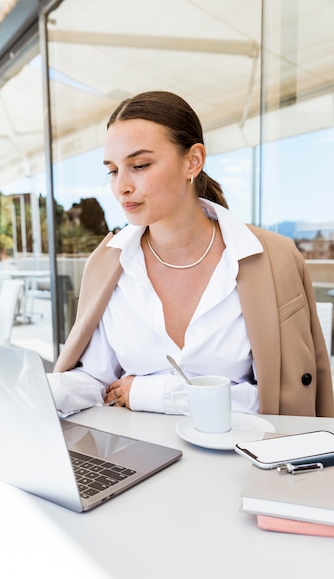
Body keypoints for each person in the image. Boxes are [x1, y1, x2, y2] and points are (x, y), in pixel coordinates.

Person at [47, 91, 334, 419]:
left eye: (139, 165)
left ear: (193, 161)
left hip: (245, 461)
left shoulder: (273, 258)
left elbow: (282, 398)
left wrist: (154, 393)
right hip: (138, 458)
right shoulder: (108, 263)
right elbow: (97, 379)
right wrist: (37, 388)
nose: (121, 186)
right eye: (113, 170)